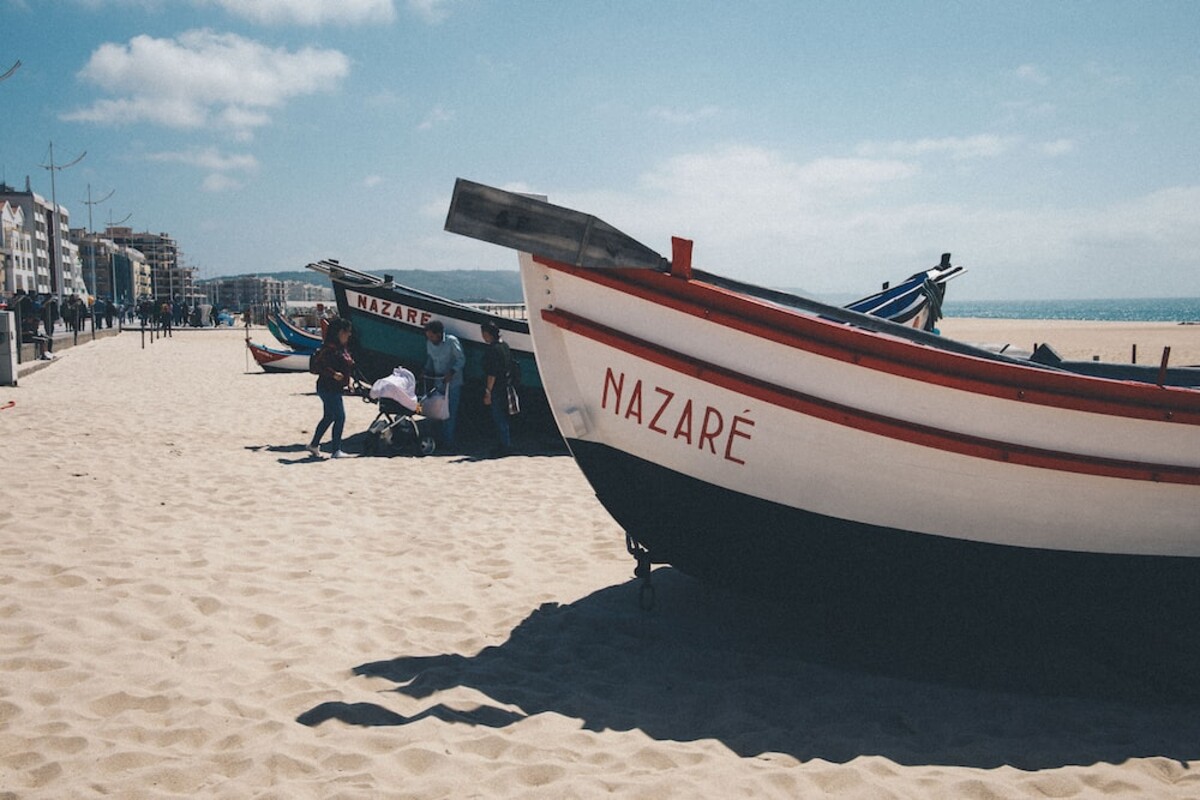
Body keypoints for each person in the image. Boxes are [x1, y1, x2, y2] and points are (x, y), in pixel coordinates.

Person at [306, 318, 355, 459]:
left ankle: (314, 445)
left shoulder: (342, 348)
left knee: (329, 417)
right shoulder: (329, 348)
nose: (349, 335)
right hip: (327, 388)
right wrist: (333, 374)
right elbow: (321, 365)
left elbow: (346, 366)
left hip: (334, 388)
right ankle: (336, 450)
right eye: (347, 332)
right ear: (340, 332)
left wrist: (349, 381)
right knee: (340, 417)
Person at [422, 320, 465, 451]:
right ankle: (437, 439)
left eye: (432, 336)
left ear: (439, 334)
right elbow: (430, 359)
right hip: (438, 382)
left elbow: (461, 359)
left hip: (453, 383)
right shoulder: (429, 344)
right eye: (428, 336)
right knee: (436, 412)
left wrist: (451, 372)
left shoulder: (451, 341)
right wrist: (425, 370)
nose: (430, 339)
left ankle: (448, 442)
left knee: (449, 413)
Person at [480, 322, 514, 456]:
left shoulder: (492, 350)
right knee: (503, 416)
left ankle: (504, 445)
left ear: (488, 334)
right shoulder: (504, 346)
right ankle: (505, 443)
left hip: (497, 388)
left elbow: (492, 374)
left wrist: (488, 392)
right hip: (506, 385)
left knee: (499, 416)